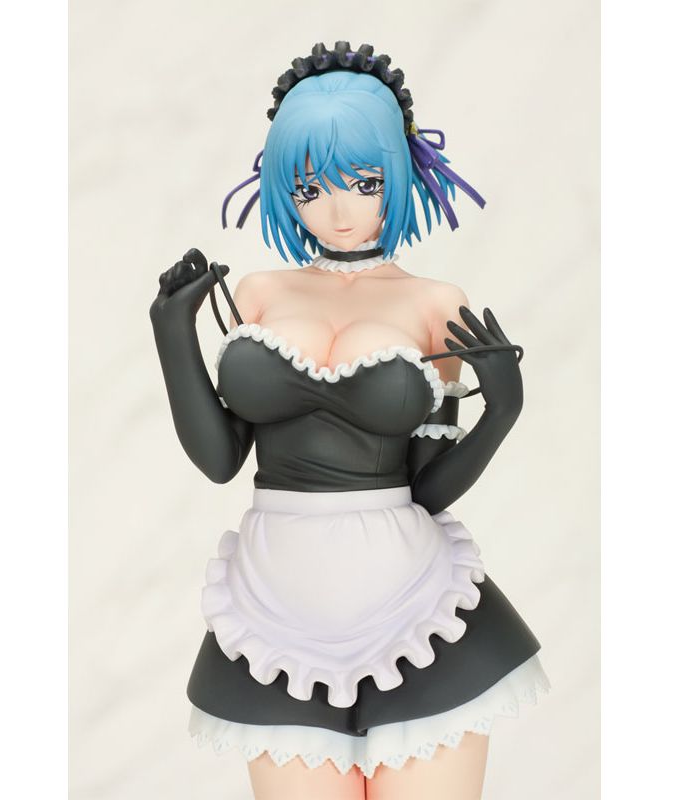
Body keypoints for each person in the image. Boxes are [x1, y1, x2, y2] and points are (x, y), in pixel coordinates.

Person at [150, 42, 549, 800]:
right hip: (274, 603)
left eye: (365, 183)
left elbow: (425, 490)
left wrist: (502, 412)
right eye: (310, 186)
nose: (338, 211)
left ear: (400, 172)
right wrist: (173, 333)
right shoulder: (258, 293)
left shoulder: (436, 303)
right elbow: (221, 459)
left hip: (411, 604)